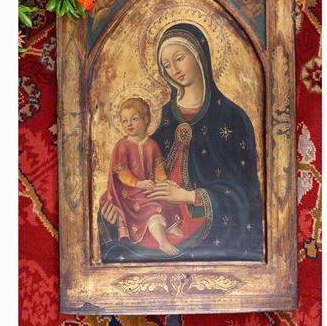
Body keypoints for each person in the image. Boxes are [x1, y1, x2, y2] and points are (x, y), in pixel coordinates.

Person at [99, 23, 264, 262]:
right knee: (118, 254)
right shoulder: (160, 118)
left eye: (179, 58)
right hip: (157, 220)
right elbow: (135, 175)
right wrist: (114, 207)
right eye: (166, 65)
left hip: (210, 232)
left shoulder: (231, 117)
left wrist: (188, 197)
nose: (174, 70)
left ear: (199, 56)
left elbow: (245, 193)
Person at [99, 97, 184, 255]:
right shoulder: (122, 146)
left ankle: (168, 227)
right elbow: (122, 173)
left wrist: (165, 182)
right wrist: (139, 184)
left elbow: (158, 169)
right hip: (129, 192)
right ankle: (162, 241)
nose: (129, 124)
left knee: (166, 198)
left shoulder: (152, 145)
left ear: (146, 119)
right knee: (151, 207)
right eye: (125, 121)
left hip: (148, 186)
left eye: (134, 119)